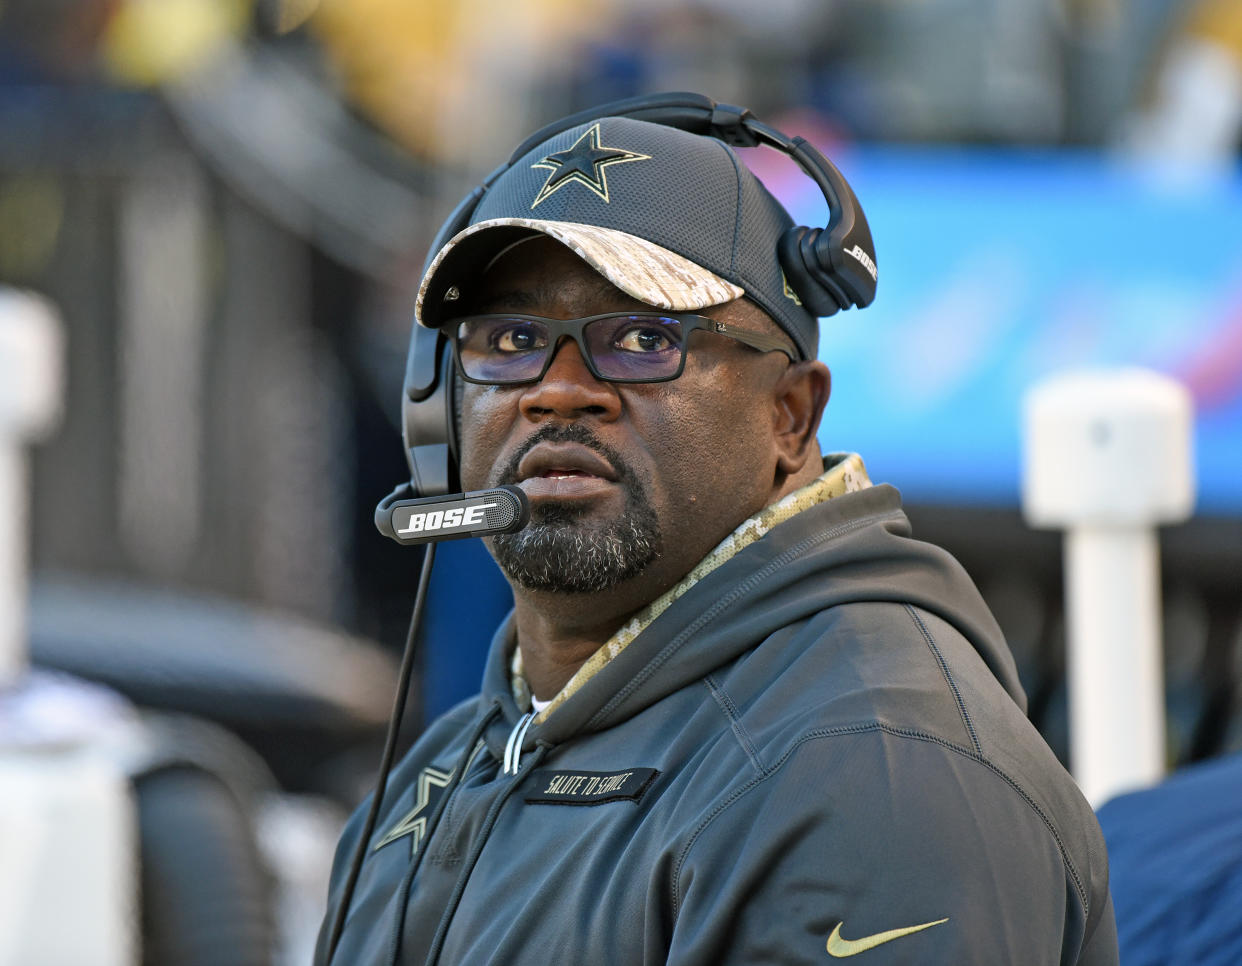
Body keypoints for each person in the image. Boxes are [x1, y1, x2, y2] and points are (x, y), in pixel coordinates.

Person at [316, 96, 1118, 965]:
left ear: (790, 416)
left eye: (642, 337)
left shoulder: (875, 775)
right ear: (437, 407)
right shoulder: (444, 767)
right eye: (511, 338)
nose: (556, 389)